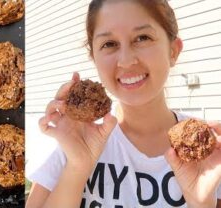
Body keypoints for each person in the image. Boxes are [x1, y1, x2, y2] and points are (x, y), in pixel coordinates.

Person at [26, 0, 221, 207]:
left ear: (173, 51)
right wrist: (77, 166)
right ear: (94, 57)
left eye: (142, 38)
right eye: (109, 44)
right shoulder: (76, 140)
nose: (126, 61)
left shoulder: (210, 152)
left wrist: (202, 204)